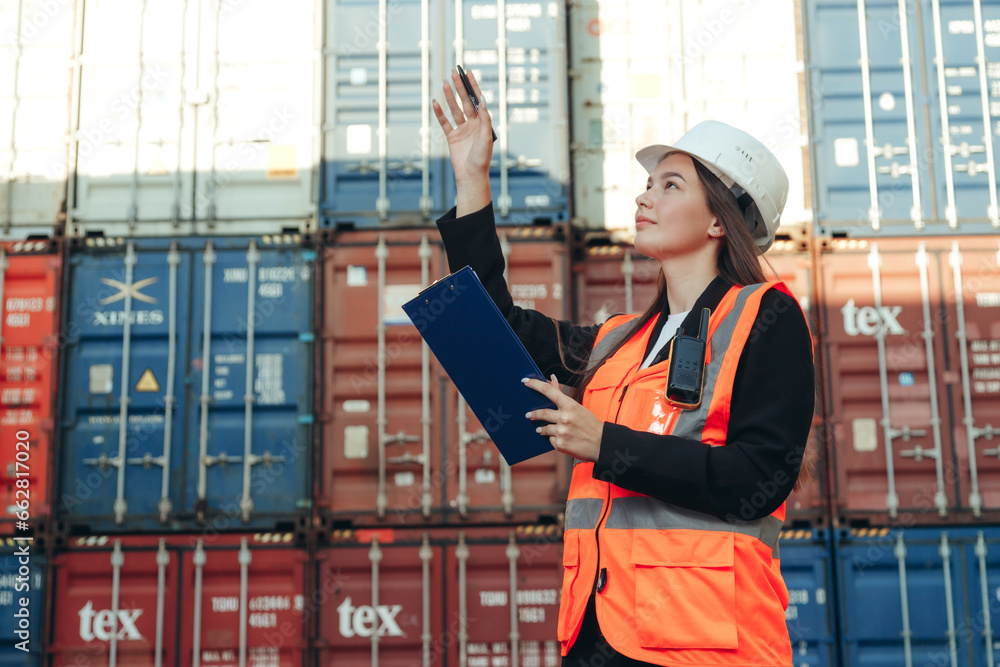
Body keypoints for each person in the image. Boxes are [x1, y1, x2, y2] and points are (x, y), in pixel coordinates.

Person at [432, 68, 815, 667]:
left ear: (719, 221)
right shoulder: (618, 342)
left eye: (669, 185)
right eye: (647, 184)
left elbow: (758, 478)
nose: (644, 196)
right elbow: (489, 327)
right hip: (598, 633)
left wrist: (605, 443)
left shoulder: (767, 318)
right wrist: (471, 176)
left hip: (705, 644)